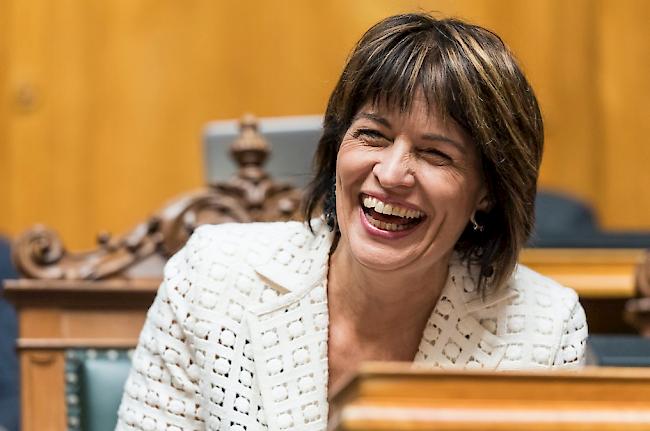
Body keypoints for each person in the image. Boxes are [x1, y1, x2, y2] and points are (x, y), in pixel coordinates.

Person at [116, 13, 587, 431]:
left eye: (434, 153)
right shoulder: (212, 276)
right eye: (372, 136)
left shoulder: (543, 329)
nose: (390, 173)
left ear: (487, 190)